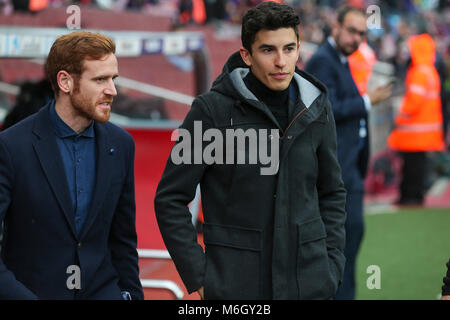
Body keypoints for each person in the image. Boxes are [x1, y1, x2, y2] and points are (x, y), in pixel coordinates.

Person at [155, 1, 347, 300]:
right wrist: (201, 276)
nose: (281, 62)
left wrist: (331, 266)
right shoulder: (211, 111)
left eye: (289, 49)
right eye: (268, 50)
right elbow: (170, 199)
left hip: (309, 285)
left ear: (299, 48)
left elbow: (332, 191)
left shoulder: (316, 106)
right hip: (235, 290)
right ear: (246, 55)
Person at [0, 31, 143, 300]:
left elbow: (123, 239)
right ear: (65, 81)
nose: (112, 90)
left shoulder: (121, 144)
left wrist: (131, 295)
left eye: (113, 78)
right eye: (100, 79)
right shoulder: (10, 147)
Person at [305, 6, 392, 300]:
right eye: (352, 30)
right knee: (341, 245)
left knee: (348, 242)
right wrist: (369, 100)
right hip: (337, 171)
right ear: (336, 27)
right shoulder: (322, 61)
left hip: (348, 170)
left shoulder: (340, 61)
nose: (356, 38)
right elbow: (327, 110)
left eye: (362, 34)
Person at [388, 33, 445, 206]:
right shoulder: (430, 70)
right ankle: (414, 196)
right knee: (417, 167)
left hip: (415, 132)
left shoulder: (420, 72)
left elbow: (414, 102)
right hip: (424, 132)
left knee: (412, 168)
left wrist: (400, 110)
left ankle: (410, 197)